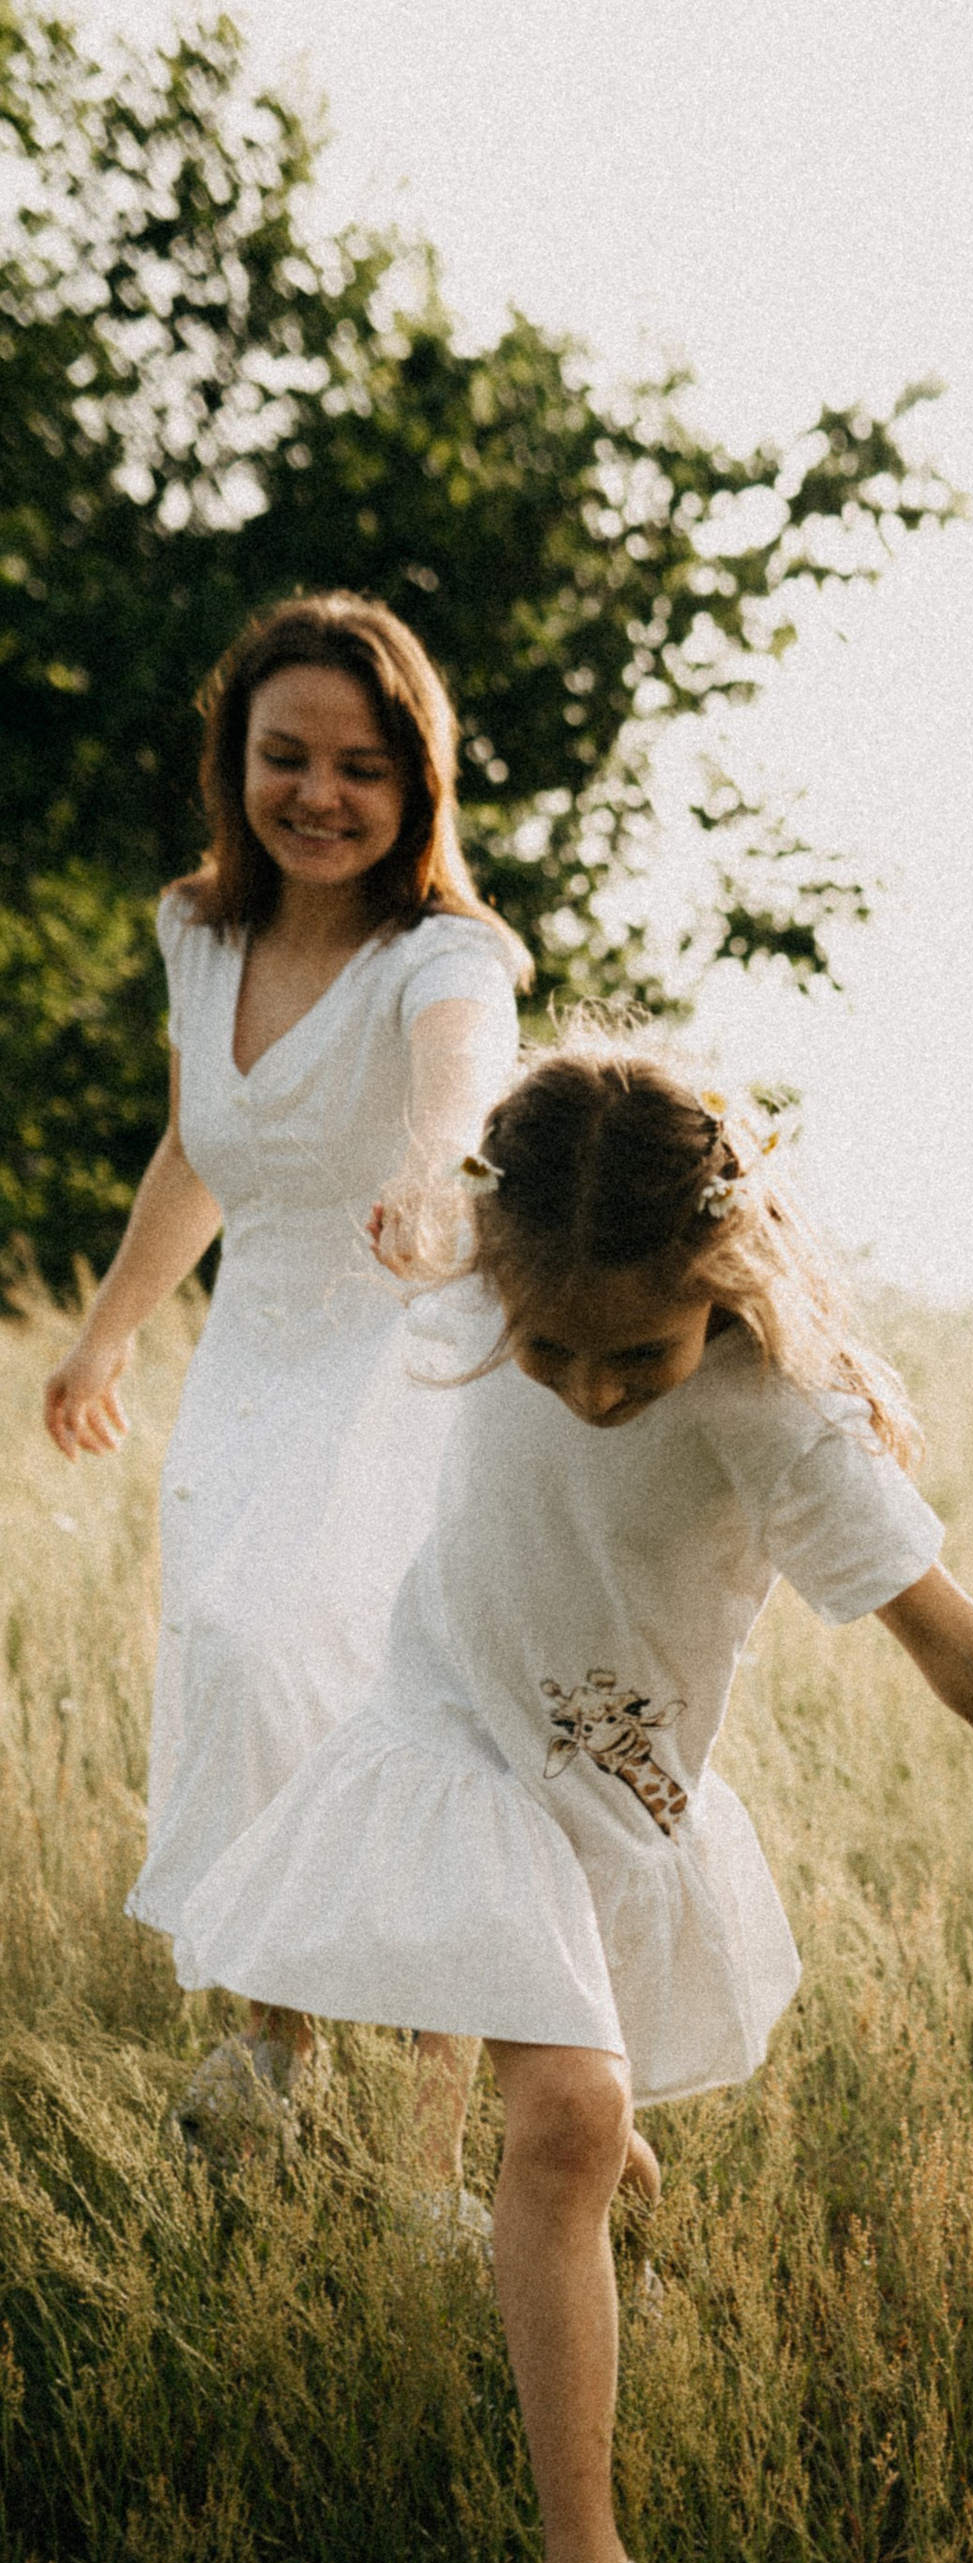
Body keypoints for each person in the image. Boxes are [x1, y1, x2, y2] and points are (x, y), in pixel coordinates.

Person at [175, 1037, 973, 2563]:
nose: (576, 1389)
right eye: (545, 1350)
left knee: (580, 2127)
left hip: (620, 1798)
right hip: (452, 1739)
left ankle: (584, 2194)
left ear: (714, 1293)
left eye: (625, 1358)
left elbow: (951, 1635)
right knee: (558, 2113)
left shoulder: (773, 1413)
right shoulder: (478, 1293)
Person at [42, 592, 526, 2152]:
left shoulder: (447, 955)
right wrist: (108, 1327)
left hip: (405, 1366)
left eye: (365, 766)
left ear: (419, 784)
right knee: (241, 1676)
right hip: (254, 1364)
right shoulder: (199, 930)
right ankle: (278, 2039)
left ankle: (435, 2130)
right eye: (287, 755)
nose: (321, 794)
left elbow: (464, 1103)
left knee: (381, 1697)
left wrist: (438, 1180)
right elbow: (198, 1151)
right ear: (233, 762)